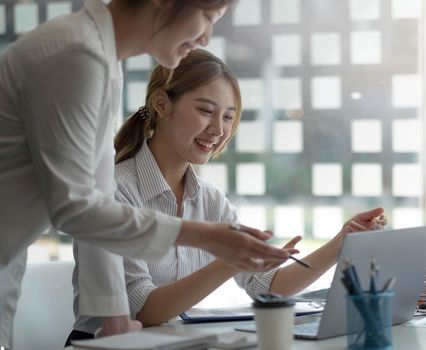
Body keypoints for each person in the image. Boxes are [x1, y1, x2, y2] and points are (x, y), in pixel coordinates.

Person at [0, 1, 291, 348]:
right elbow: (75, 207)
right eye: (207, 17)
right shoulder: (76, 54)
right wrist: (205, 237)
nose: (206, 36)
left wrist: (115, 318)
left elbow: (96, 203)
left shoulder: (102, 61)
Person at [67, 49, 387, 340]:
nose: (219, 130)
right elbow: (145, 310)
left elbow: (268, 287)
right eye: (207, 111)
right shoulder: (116, 189)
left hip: (164, 343)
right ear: (162, 104)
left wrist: (341, 243)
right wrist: (229, 260)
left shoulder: (210, 200)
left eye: (229, 117)